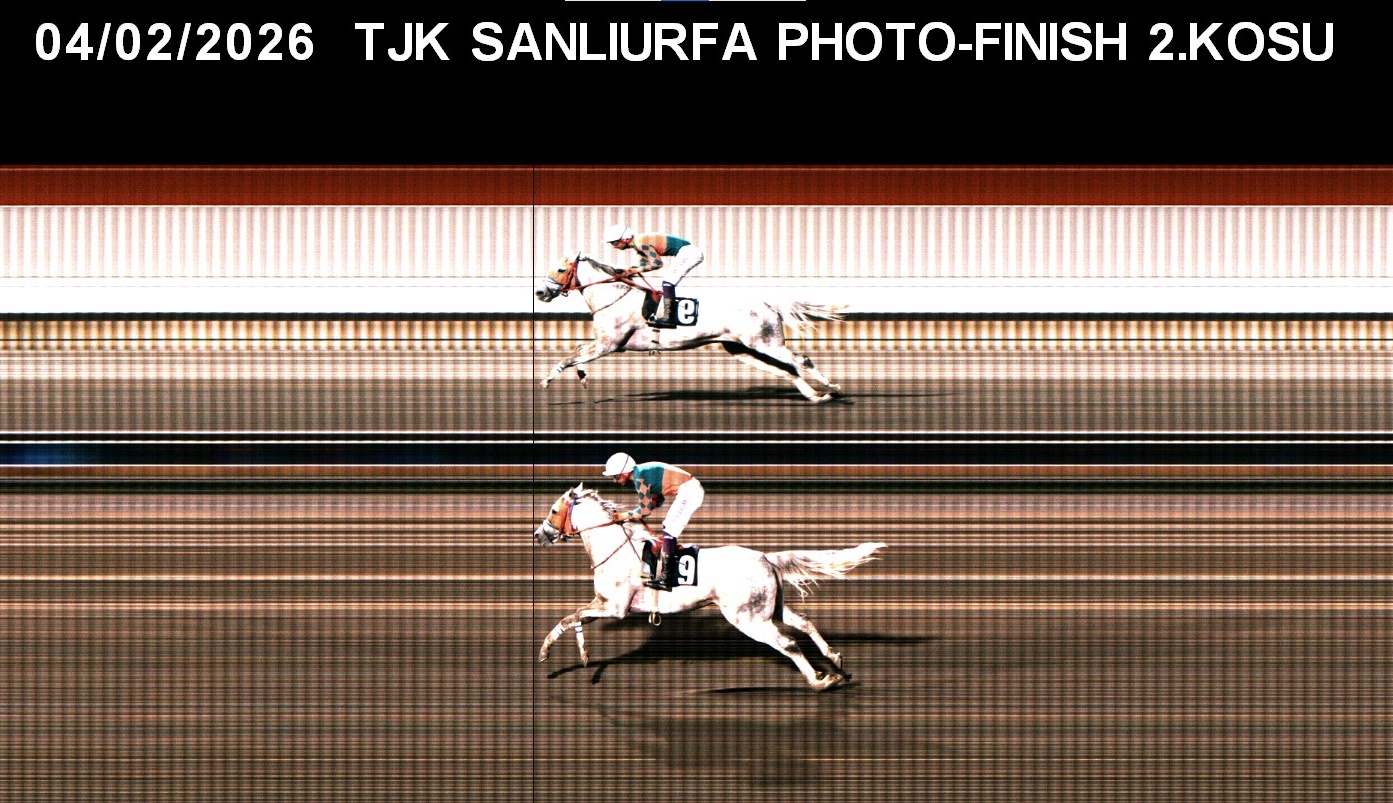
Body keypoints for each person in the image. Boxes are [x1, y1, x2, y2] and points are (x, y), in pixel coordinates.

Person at [601, 451, 704, 591]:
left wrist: (622, 516)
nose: (615, 480)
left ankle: (666, 579)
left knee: (670, 527)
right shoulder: (641, 473)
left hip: (690, 491)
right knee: (669, 526)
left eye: (616, 476)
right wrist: (638, 512)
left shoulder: (639, 478)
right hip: (690, 490)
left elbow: (645, 510)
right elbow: (657, 501)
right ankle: (668, 568)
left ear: (625, 473)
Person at [601, 224, 705, 328]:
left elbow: (657, 264)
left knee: (668, 282)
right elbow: (642, 265)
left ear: (626, 239)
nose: (614, 246)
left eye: (615, 243)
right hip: (687, 252)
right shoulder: (638, 243)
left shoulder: (640, 243)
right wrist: (630, 270)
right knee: (668, 280)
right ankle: (667, 316)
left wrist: (635, 270)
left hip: (689, 254)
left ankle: (668, 318)